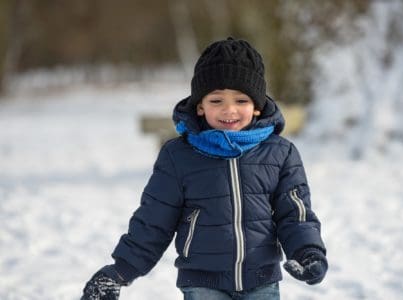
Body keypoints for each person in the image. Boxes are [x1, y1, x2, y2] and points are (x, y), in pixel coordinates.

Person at [81, 37, 327, 300]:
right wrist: (119, 271)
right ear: (200, 105)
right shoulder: (178, 156)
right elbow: (154, 220)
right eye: (216, 100)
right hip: (203, 283)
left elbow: (295, 214)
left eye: (241, 100)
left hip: (261, 281)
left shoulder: (280, 153)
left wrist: (308, 252)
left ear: (257, 106)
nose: (229, 110)